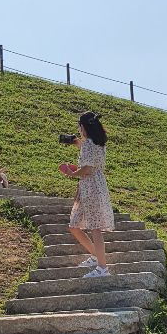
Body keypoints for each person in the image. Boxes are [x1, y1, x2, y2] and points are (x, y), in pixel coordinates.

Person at [61, 110, 115, 278]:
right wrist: (77, 143)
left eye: (79, 127)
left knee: (95, 228)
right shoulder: (96, 143)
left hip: (91, 187)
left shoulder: (90, 145)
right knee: (74, 226)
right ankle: (96, 256)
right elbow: (88, 154)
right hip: (91, 186)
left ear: (83, 127)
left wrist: (72, 173)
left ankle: (102, 268)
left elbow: (87, 168)